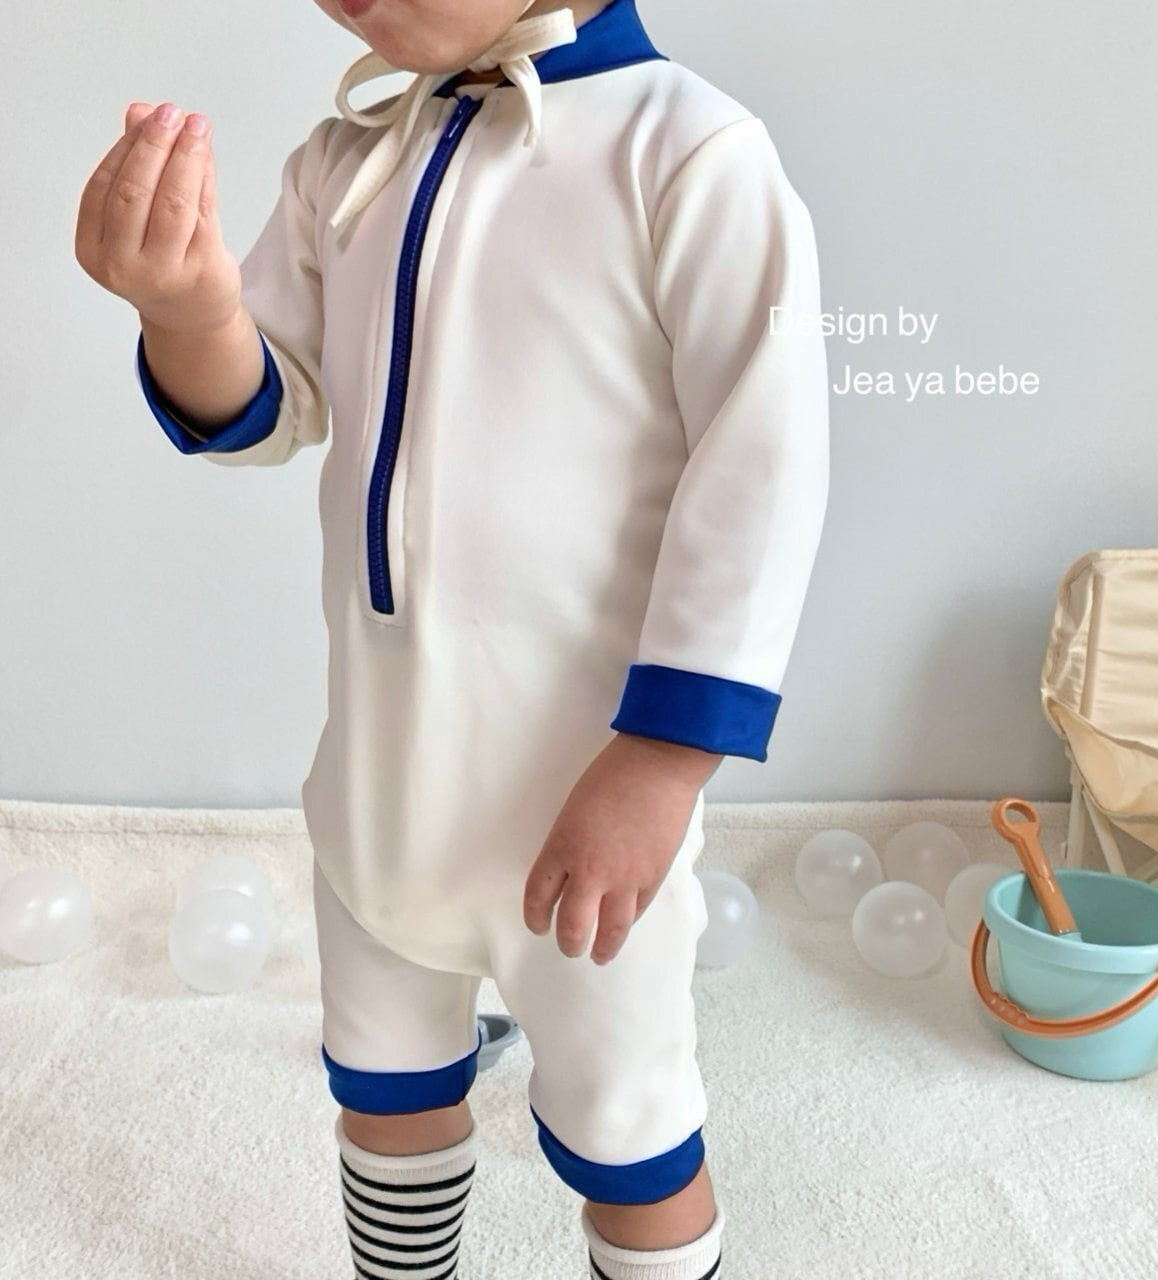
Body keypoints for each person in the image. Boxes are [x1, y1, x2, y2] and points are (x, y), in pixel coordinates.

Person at [74, 1, 829, 1275]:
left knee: (627, 1130)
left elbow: (763, 467)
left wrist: (661, 760)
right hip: (377, 781)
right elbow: (269, 405)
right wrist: (187, 310)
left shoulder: (686, 153)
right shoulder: (349, 156)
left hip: (580, 797)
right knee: (383, 1086)